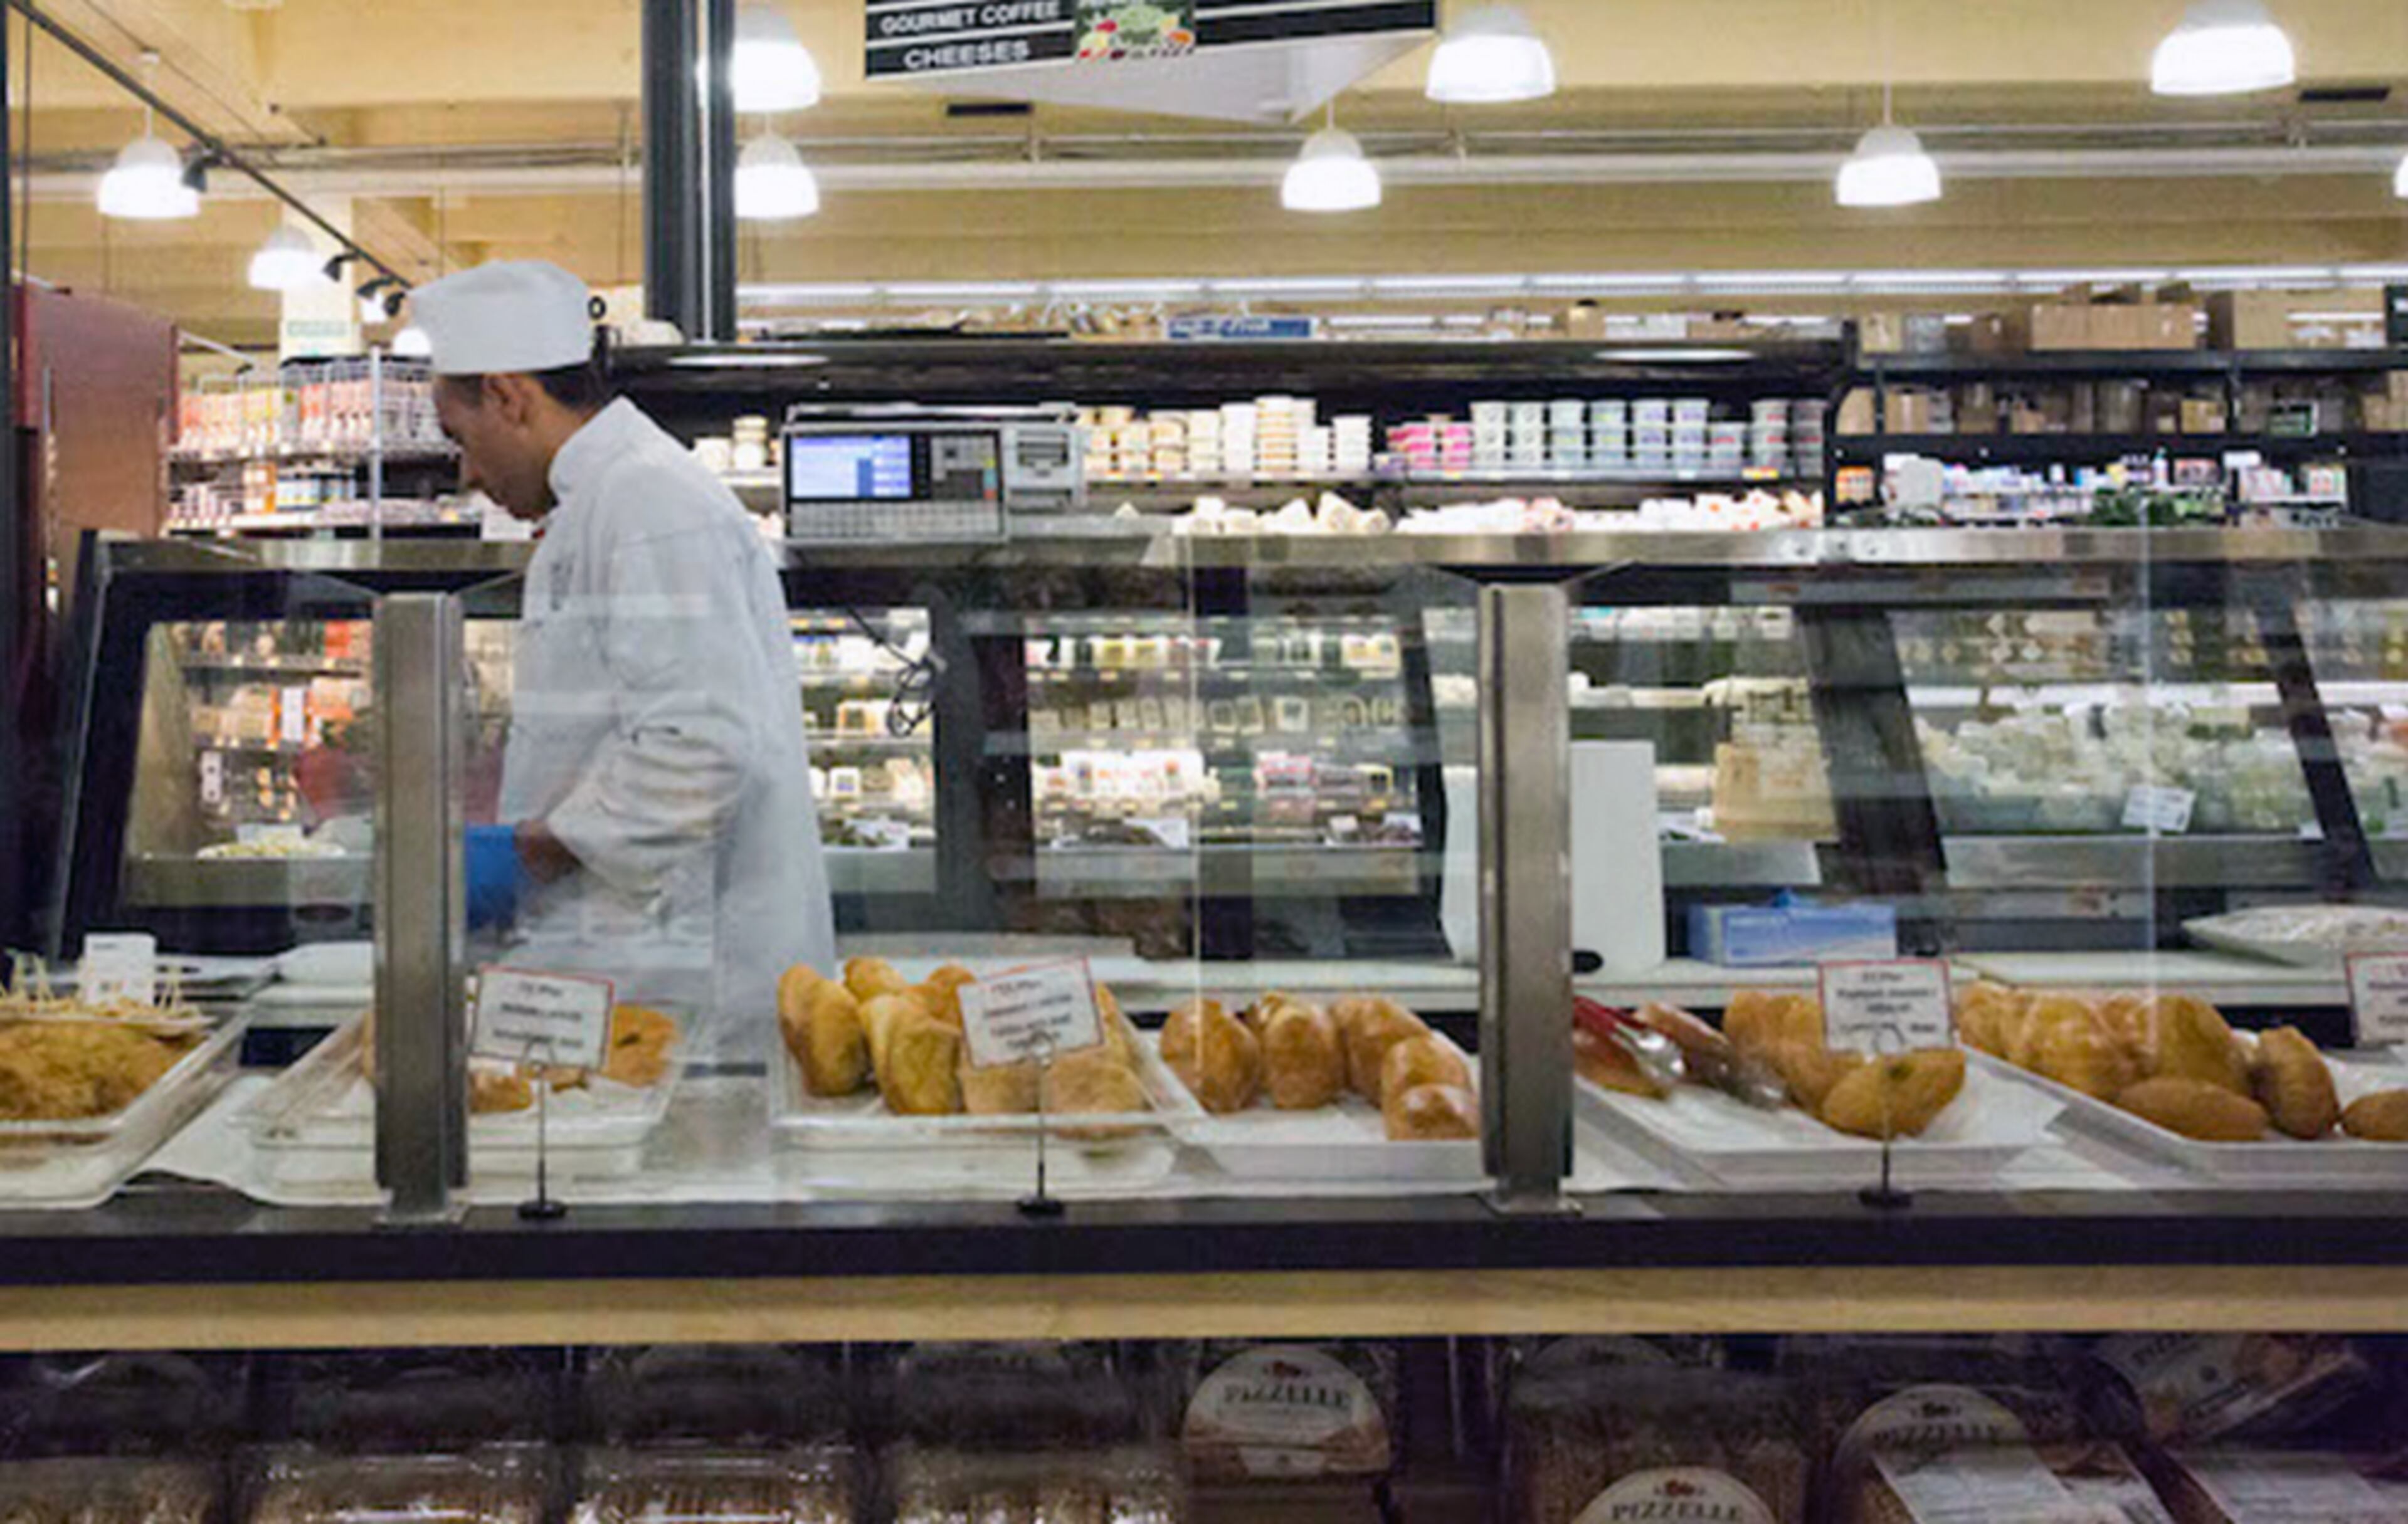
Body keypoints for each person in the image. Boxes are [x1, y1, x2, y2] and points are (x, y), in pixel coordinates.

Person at [411, 260, 833, 1061]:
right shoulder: (601, 501)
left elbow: (702, 749)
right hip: (634, 971)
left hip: (688, 988)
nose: (465, 472)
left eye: (459, 438)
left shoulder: (649, 502)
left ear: (508, 395)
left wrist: (527, 851)